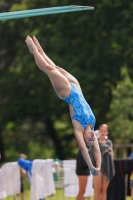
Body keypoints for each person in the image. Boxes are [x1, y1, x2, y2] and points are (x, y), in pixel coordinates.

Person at [25, 35, 101, 176]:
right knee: (56, 67)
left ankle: (33, 49)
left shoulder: (78, 128)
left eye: (88, 141)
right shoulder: (92, 123)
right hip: (77, 87)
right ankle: (39, 50)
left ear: (84, 138)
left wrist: (91, 167)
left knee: (49, 69)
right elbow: (96, 149)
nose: (91, 139)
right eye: (92, 140)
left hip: (68, 93)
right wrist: (98, 166)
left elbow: (85, 150)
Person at [91, 124, 115, 200]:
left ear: (107, 132)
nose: (103, 132)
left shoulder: (109, 143)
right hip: (97, 167)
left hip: (107, 167)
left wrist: (106, 151)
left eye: (105, 131)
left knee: (104, 191)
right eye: (102, 131)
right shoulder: (95, 142)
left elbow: (111, 155)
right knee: (97, 191)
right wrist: (104, 151)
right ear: (99, 131)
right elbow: (92, 154)